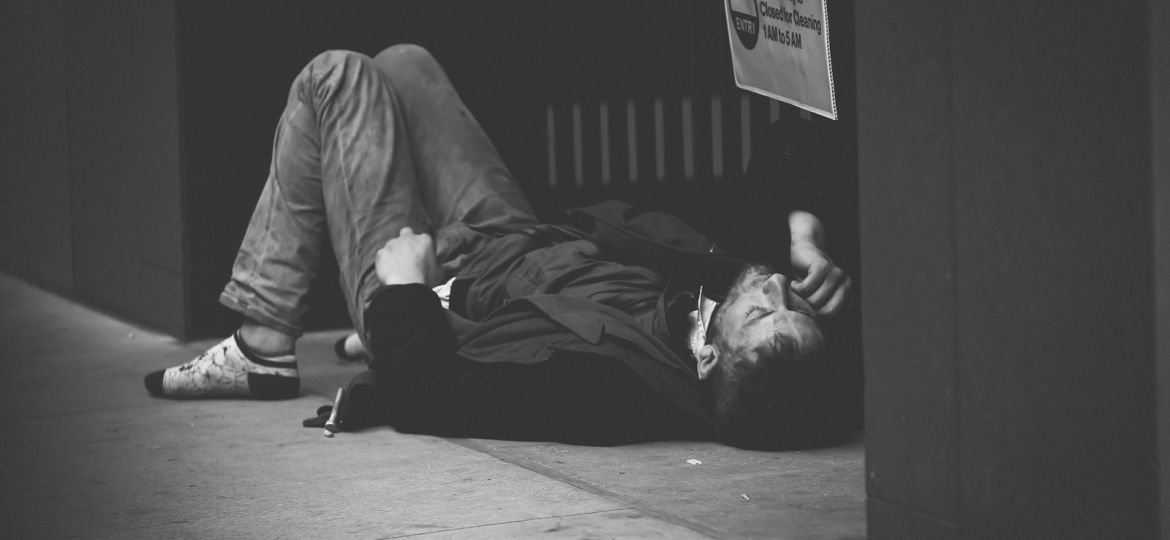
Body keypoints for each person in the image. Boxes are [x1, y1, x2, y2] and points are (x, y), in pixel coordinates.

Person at [144, 45, 855, 448]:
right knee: (405, 65)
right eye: (793, 304)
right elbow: (786, 156)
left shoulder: (608, 395)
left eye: (764, 314)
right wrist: (806, 239)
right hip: (514, 238)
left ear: (708, 358)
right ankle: (264, 335)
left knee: (335, 77)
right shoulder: (721, 298)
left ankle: (263, 339)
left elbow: (433, 395)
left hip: (427, 286)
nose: (773, 292)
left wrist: (405, 293)